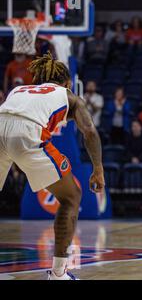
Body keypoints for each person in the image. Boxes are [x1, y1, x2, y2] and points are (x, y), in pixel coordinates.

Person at [0, 52, 104, 280]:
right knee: (71, 197)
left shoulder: (19, 89)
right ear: (67, 82)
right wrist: (98, 170)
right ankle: (58, 274)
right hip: (28, 132)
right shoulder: (69, 95)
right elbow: (90, 132)